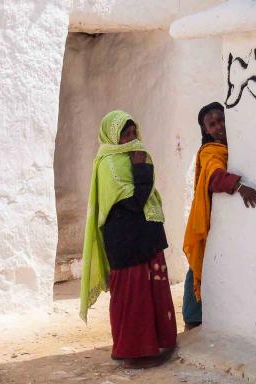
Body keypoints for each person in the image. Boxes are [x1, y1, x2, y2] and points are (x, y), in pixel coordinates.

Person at [80, 110, 177, 369]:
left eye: (134, 133)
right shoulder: (109, 165)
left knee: (152, 290)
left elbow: (145, 199)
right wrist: (141, 168)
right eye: (125, 134)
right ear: (112, 136)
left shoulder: (133, 158)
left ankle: (158, 344)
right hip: (126, 241)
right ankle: (134, 352)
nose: (131, 138)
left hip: (145, 237)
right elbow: (134, 202)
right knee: (132, 296)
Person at [182, 102, 256, 330]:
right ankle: (192, 317)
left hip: (218, 221)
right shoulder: (210, 152)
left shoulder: (230, 147)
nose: (218, 127)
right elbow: (215, 177)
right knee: (199, 262)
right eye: (212, 124)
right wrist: (239, 187)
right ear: (205, 130)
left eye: (221, 120)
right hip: (206, 218)